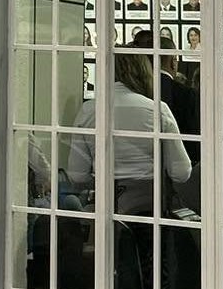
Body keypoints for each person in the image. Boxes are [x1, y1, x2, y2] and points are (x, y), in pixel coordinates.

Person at [67, 53, 193, 214]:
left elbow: (77, 175)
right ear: (144, 71)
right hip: (149, 208)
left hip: (104, 207)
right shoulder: (158, 110)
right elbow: (181, 172)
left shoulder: (88, 110)